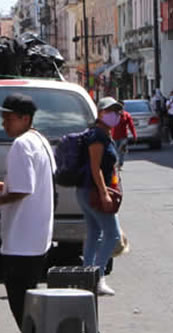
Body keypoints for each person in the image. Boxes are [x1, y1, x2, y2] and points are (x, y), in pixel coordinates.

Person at [0, 93, 54, 328]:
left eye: (8, 118)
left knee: (20, 297)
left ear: (25, 118)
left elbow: (24, 190)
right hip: (37, 235)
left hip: (23, 238)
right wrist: (0, 186)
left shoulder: (22, 144)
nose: (3, 123)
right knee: (27, 294)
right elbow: (32, 184)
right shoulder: (40, 140)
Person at [78, 97, 122, 296]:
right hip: (93, 192)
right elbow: (96, 168)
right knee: (112, 234)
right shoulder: (97, 136)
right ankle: (98, 277)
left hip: (87, 191)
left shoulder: (102, 134)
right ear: (100, 113)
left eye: (118, 111)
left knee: (95, 233)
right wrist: (104, 193)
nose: (116, 115)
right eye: (110, 111)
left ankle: (87, 276)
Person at [109, 99, 137, 168]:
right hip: (114, 136)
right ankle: (115, 163)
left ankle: (120, 163)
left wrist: (134, 135)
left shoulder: (126, 115)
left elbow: (131, 125)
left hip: (123, 136)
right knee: (114, 151)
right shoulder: (112, 115)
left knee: (121, 150)